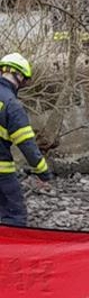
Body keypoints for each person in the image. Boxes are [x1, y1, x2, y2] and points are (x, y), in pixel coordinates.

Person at [1, 53, 53, 227]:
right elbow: (27, 145)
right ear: (20, 76)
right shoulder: (11, 104)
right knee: (14, 216)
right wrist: (43, 172)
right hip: (2, 173)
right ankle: (11, 253)